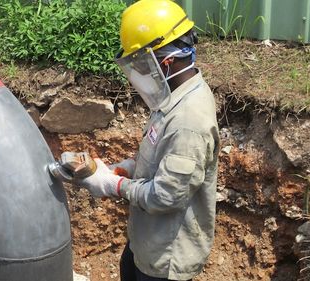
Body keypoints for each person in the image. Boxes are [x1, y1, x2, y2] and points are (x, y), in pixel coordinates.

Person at [63, 0, 220, 280]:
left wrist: (115, 185)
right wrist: (127, 168)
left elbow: (167, 195)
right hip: (146, 242)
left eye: (140, 63)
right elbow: (164, 159)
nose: (139, 72)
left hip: (165, 258)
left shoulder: (189, 120)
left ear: (166, 61)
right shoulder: (174, 95)